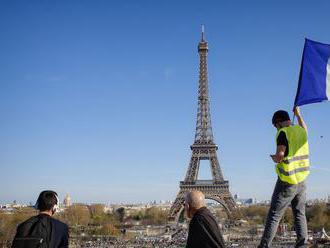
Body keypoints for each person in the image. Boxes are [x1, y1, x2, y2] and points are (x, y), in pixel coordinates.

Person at [258, 106, 310, 248]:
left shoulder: (283, 133)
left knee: (274, 216)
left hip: (287, 181)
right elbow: (304, 127)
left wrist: (275, 158)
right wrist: (298, 115)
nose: (276, 128)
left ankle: (263, 246)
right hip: (302, 180)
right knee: (300, 213)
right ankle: (302, 245)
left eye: (275, 125)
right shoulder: (300, 131)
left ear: (279, 122)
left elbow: (281, 155)